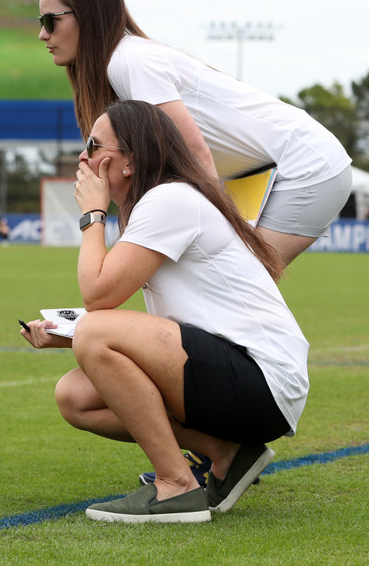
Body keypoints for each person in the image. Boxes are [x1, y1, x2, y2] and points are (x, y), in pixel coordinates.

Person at [20, 101, 309, 523]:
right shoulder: (157, 205)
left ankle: (176, 485)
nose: (83, 156)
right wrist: (67, 334)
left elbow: (99, 296)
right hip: (243, 381)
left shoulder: (170, 200)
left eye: (94, 145)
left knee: (96, 329)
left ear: (131, 162)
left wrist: (92, 214)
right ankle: (225, 452)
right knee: (76, 397)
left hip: (261, 381)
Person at [38, 0, 352, 268]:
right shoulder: (123, 63)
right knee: (218, 290)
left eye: (51, 21)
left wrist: (217, 232)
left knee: (233, 288)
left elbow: (194, 151)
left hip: (303, 166)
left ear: (88, 18)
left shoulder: (130, 62)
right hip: (266, 172)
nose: (42, 34)